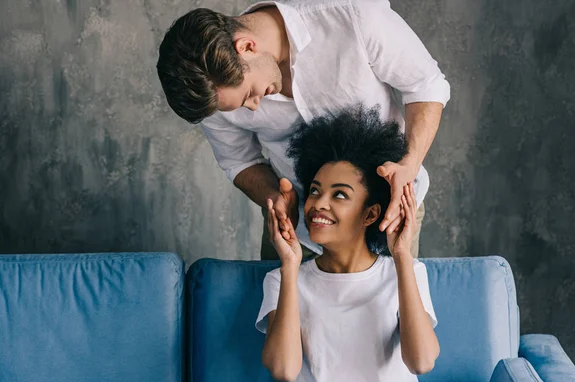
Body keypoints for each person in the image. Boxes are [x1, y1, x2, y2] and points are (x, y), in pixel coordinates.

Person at [156, 0, 451, 259]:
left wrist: (409, 163)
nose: (255, 107)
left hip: (388, 217)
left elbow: (425, 85)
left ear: (246, 47)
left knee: (393, 320)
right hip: (301, 234)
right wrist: (276, 197)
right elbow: (239, 161)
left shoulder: (353, 15)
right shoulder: (215, 97)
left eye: (249, 94)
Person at [256, 105, 439, 382]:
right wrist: (290, 266)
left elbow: (421, 361)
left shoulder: (408, 273)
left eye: (339, 194)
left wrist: (402, 256)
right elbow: (284, 370)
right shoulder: (282, 280)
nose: (318, 203)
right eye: (315, 190)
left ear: (370, 215)